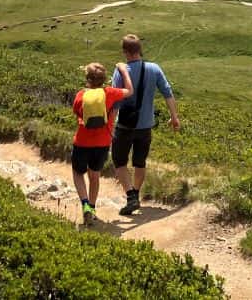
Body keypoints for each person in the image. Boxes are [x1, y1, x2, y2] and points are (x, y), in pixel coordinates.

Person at [112, 34, 180, 215]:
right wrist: (174, 117)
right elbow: (167, 92)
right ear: (140, 50)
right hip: (145, 125)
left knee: (119, 162)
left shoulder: (121, 71)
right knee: (140, 161)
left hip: (124, 126)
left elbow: (116, 100)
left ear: (125, 52)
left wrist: (108, 124)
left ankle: (130, 196)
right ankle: (136, 192)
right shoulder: (154, 68)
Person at [71, 61, 133, 225]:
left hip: (82, 142)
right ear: (104, 79)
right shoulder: (110, 93)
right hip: (102, 143)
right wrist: (123, 71)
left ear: (87, 79)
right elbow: (129, 91)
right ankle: (92, 207)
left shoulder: (80, 95)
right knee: (95, 176)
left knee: (78, 173)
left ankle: (84, 205)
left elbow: (77, 113)